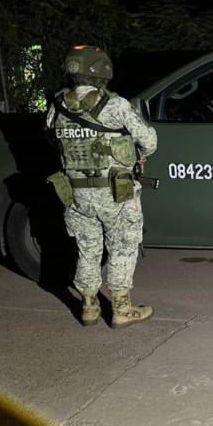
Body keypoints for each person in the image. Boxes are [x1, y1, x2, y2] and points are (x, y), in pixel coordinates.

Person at [45, 45, 158, 328]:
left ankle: (89, 307)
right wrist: (137, 154)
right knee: (123, 246)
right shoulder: (116, 105)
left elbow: (51, 139)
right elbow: (150, 141)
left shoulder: (57, 105)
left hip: (76, 193)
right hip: (115, 192)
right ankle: (121, 309)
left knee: (87, 249)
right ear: (102, 71)